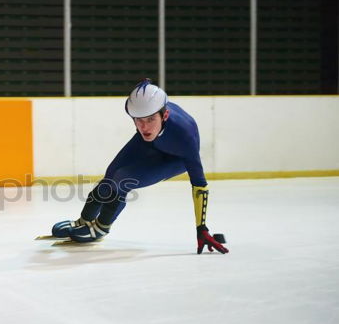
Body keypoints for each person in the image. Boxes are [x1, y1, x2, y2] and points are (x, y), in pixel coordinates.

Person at [52, 78, 228, 254]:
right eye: (138, 120)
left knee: (122, 179)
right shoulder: (143, 114)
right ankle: (84, 220)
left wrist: (201, 228)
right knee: (110, 175)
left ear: (164, 115)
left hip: (175, 158)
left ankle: (101, 228)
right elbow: (144, 88)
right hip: (151, 143)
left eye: (151, 119)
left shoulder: (185, 136)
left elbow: (200, 184)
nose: (144, 126)